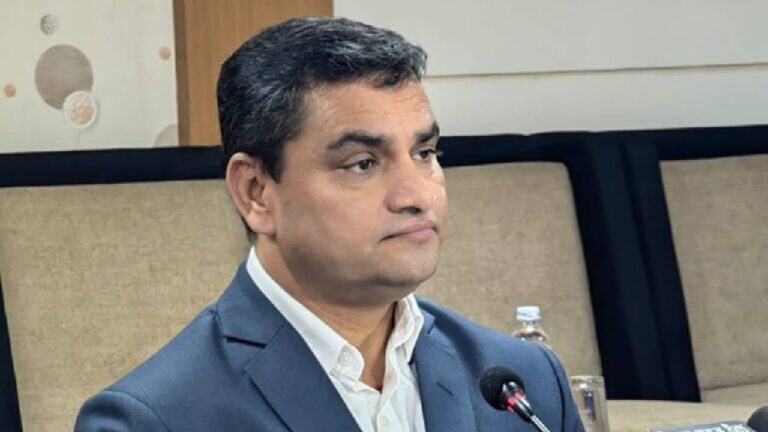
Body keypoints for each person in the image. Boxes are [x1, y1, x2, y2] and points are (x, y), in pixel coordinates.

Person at [75, 17, 584, 432]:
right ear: (256, 192)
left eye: (425, 153)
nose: (417, 195)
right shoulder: (152, 419)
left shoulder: (527, 383)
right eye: (362, 163)